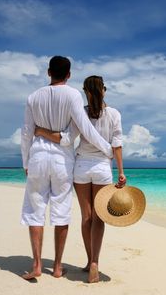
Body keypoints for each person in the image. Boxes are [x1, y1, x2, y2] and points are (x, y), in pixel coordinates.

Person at [21, 56, 116, 280]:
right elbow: (84, 129)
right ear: (69, 74)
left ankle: (36, 265)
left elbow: (26, 132)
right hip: (63, 161)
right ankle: (56, 267)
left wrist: (25, 162)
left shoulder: (33, 97)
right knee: (61, 210)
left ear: (48, 72)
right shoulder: (73, 94)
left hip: (38, 156)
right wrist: (108, 149)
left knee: (35, 209)